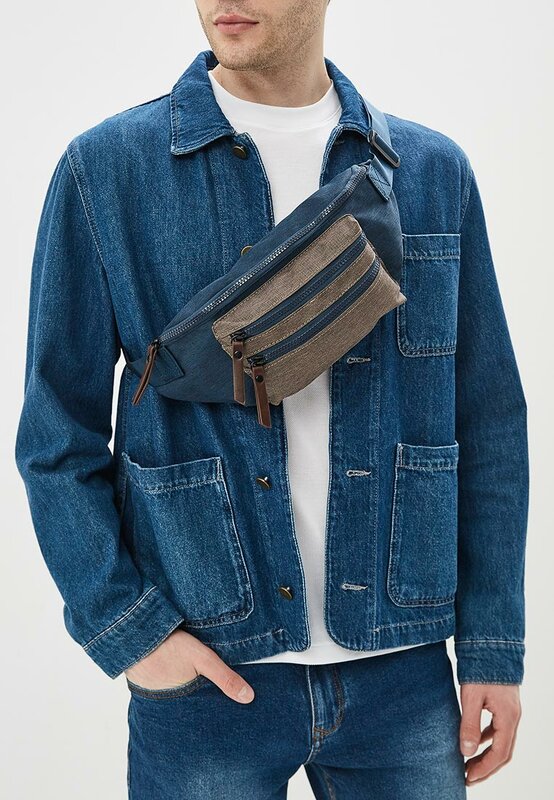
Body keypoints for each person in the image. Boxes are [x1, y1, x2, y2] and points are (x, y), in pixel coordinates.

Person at [15, 1, 528, 797]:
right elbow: (57, 434)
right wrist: (134, 635)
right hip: (207, 669)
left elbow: (488, 420)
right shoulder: (107, 170)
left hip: (405, 669)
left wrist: (493, 646)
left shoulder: (429, 171)